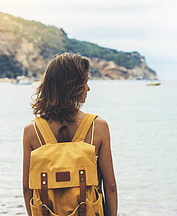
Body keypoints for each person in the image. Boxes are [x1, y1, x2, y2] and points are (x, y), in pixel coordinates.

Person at [22, 52, 117, 216]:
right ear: (71, 86)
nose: (88, 88)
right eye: (85, 82)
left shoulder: (32, 131)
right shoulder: (98, 127)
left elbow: (26, 188)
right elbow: (111, 186)